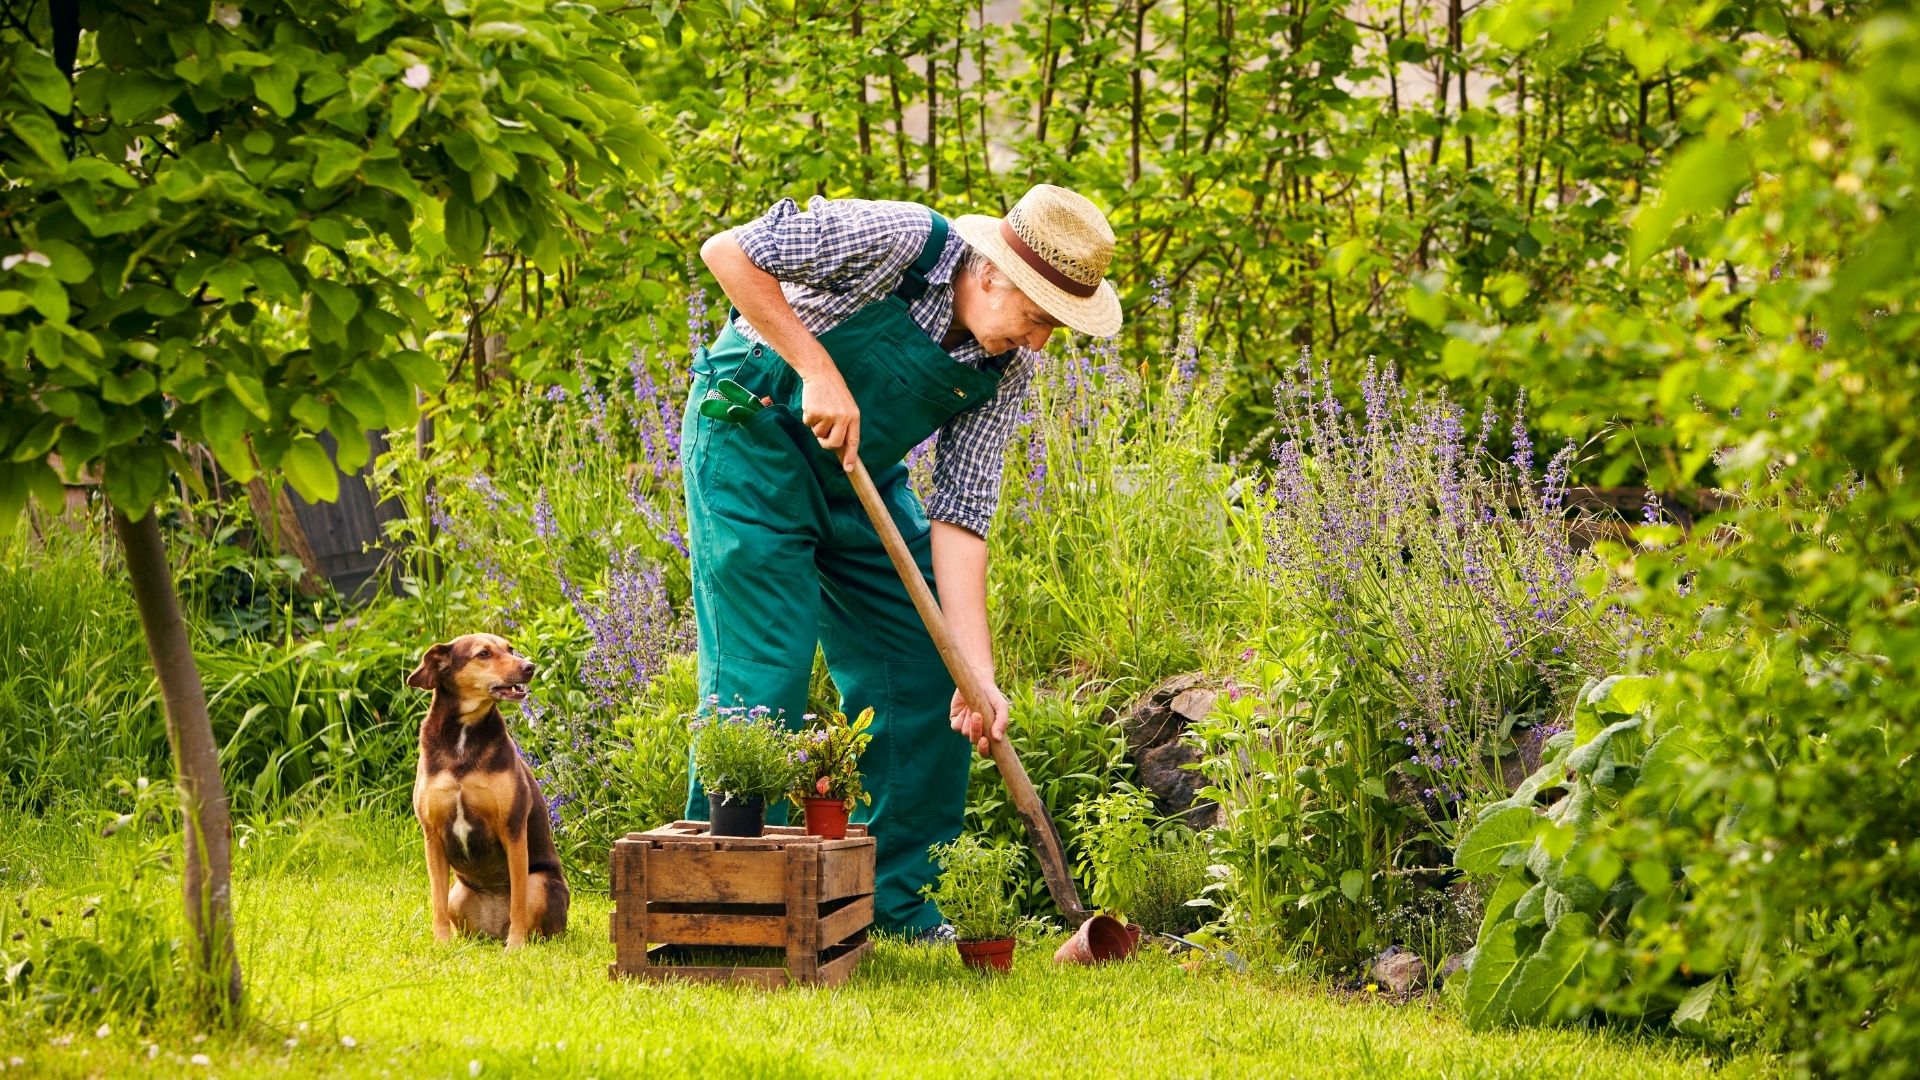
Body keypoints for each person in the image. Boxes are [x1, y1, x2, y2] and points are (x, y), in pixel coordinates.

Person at [683, 184, 1123, 935]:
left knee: (930, 668)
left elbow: (963, 513)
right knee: (765, 680)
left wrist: (975, 673)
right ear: (990, 274)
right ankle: (727, 904)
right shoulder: (897, 240)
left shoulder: (1001, 367)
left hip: (859, 477)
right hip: (750, 444)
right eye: (1039, 317)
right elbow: (728, 252)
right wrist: (817, 370)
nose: (1041, 342)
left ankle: (892, 902)